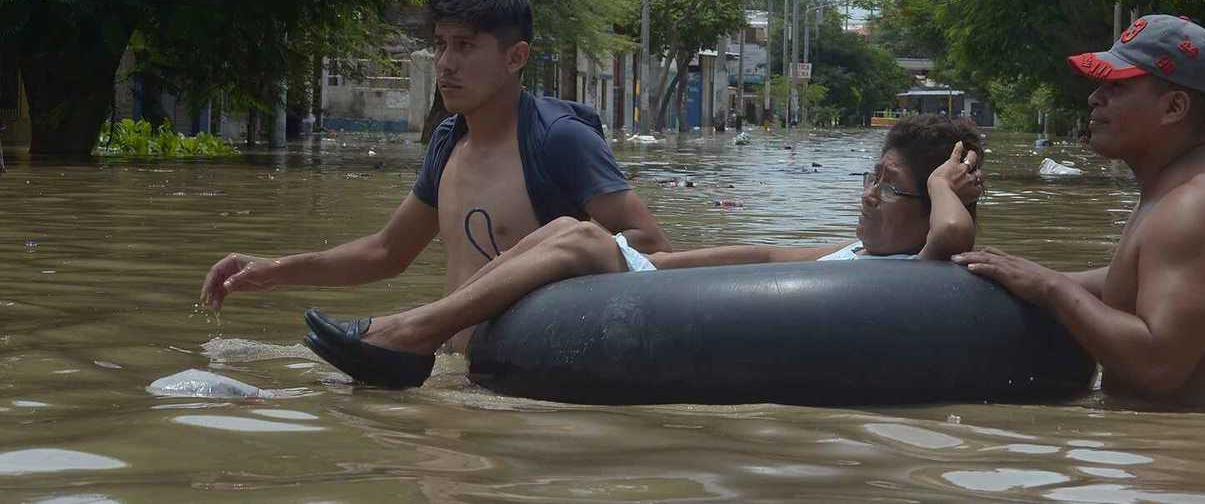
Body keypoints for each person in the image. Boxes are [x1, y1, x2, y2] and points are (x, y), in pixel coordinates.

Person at [300, 114, 986, 388]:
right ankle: (424, 332)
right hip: (682, 302)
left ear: (932, 203)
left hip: (752, 339)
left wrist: (939, 184)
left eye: (889, 187)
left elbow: (954, 237)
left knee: (579, 236)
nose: (867, 195)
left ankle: (414, 334)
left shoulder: (924, 271)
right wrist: (651, 265)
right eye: (869, 178)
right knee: (580, 234)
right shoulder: (852, 257)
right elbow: (760, 255)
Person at [200, 0, 670, 354]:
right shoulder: (448, 140)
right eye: (440, 45)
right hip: (457, 367)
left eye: (465, 46)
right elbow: (387, 253)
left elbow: (649, 246)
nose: (445, 63)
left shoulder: (558, 139)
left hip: (531, 377)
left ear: (516, 57)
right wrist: (272, 270)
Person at [956, 15, 1205, 410]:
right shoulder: (1173, 192)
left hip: (1186, 461)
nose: (1094, 98)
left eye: (1116, 86)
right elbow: (1137, 279)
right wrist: (1024, 277)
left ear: (1174, 107)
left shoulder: (1195, 206)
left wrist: (1052, 289)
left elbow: (1158, 366)